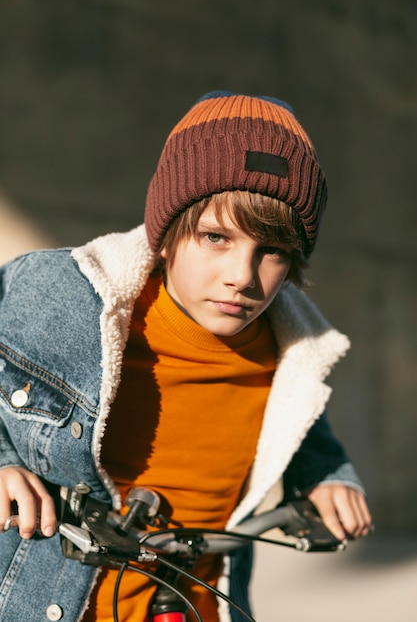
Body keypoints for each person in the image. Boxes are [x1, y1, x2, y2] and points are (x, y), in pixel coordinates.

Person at [0, 91, 372, 622]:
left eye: (271, 251)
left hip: (199, 605)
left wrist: (325, 472)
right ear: (168, 234)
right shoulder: (68, 299)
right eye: (216, 237)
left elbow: (295, 417)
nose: (241, 277)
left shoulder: (292, 354)